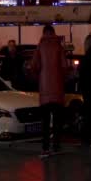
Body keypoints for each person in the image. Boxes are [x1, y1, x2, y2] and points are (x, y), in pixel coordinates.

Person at [33, 24, 67, 158]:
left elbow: (34, 66)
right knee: (58, 121)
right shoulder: (59, 46)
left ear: (44, 33)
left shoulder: (40, 46)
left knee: (45, 122)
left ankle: (45, 148)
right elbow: (65, 66)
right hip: (58, 90)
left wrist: (39, 79)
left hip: (44, 91)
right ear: (53, 33)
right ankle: (56, 145)